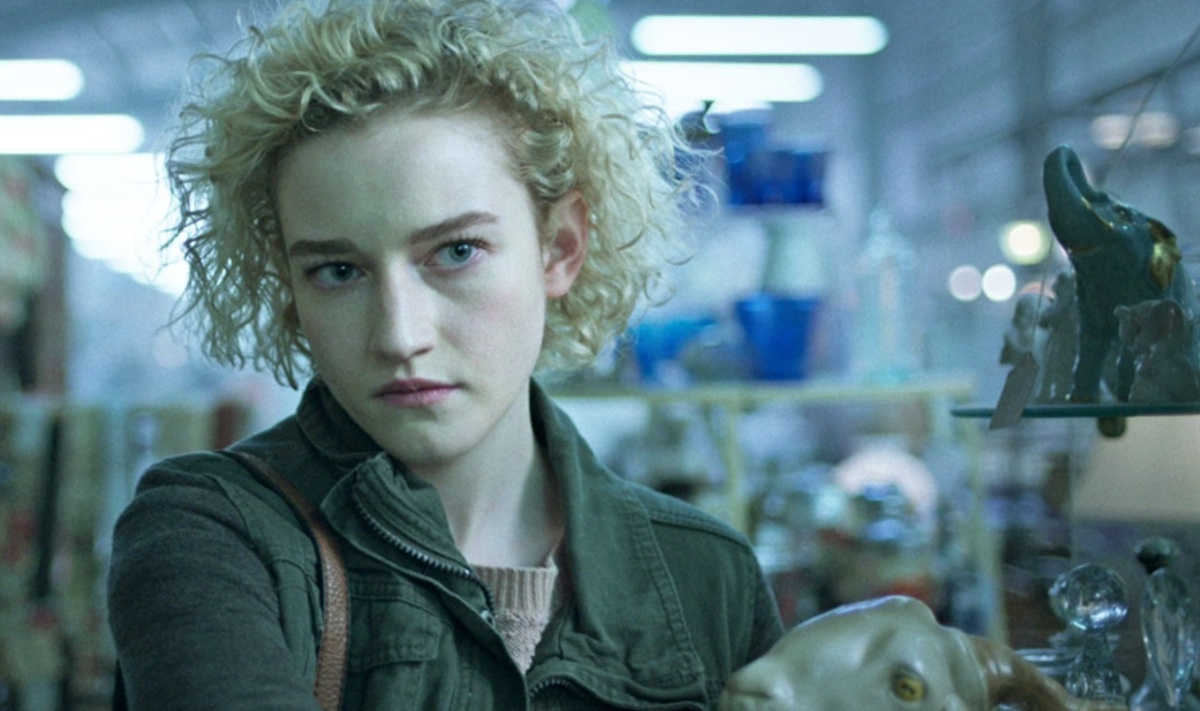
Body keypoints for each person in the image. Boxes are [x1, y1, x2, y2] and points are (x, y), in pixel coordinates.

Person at [107, 0, 784, 708]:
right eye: (338, 271)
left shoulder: (706, 575)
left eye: (456, 252)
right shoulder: (211, 535)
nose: (400, 334)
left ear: (560, 247)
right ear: (287, 287)